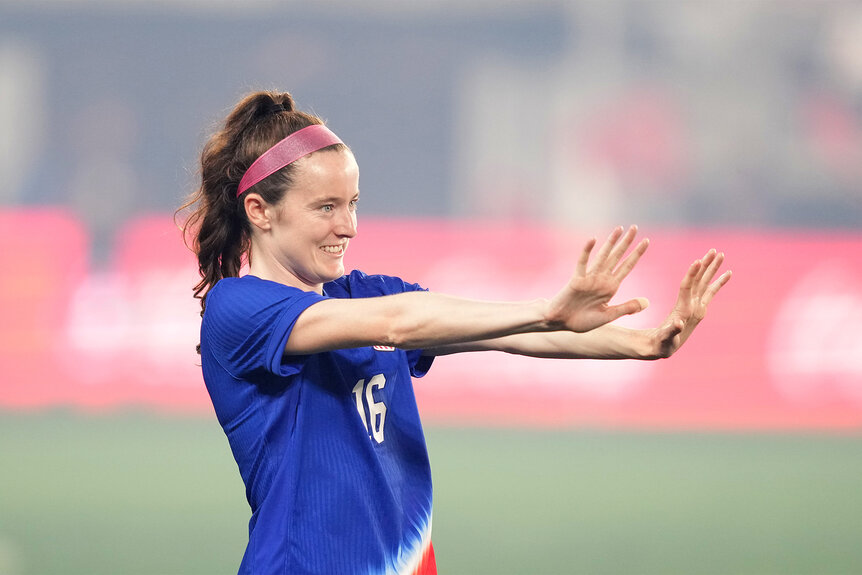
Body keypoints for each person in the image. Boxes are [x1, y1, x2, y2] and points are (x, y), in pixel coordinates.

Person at [178, 90, 731, 575]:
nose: (347, 226)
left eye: (352, 204)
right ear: (260, 211)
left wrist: (645, 344)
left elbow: (509, 335)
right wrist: (548, 309)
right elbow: (400, 323)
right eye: (326, 207)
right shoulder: (238, 308)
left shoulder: (364, 291)